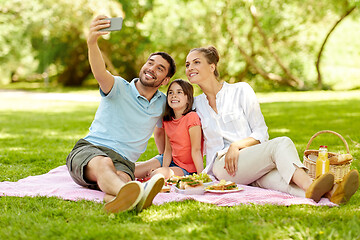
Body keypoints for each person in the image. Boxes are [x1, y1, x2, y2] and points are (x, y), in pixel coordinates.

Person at [184, 46, 359, 204]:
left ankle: (333, 193)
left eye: (196, 62)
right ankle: (312, 184)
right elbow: (170, 115)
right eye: (187, 64)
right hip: (224, 167)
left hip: (252, 164)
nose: (190, 67)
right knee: (281, 143)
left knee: (284, 182)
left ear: (212, 66)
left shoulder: (240, 90)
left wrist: (237, 146)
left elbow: (261, 132)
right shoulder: (195, 104)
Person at [66, 15, 176, 213]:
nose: (151, 69)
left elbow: (160, 132)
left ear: (165, 80)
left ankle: (119, 201)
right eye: (150, 63)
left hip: (124, 162)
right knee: (104, 163)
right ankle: (139, 194)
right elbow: (100, 72)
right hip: (90, 150)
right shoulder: (118, 87)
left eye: (159, 69)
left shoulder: (162, 103)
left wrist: (163, 160)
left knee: (124, 179)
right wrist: (92, 42)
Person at [135, 79, 204, 179]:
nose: (174, 95)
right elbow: (168, 150)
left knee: (157, 174)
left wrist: (201, 176)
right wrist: (164, 168)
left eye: (179, 92)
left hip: (186, 168)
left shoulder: (191, 117)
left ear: (188, 98)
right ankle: (110, 178)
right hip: (168, 160)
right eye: (170, 92)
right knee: (132, 169)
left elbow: (196, 150)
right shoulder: (167, 120)